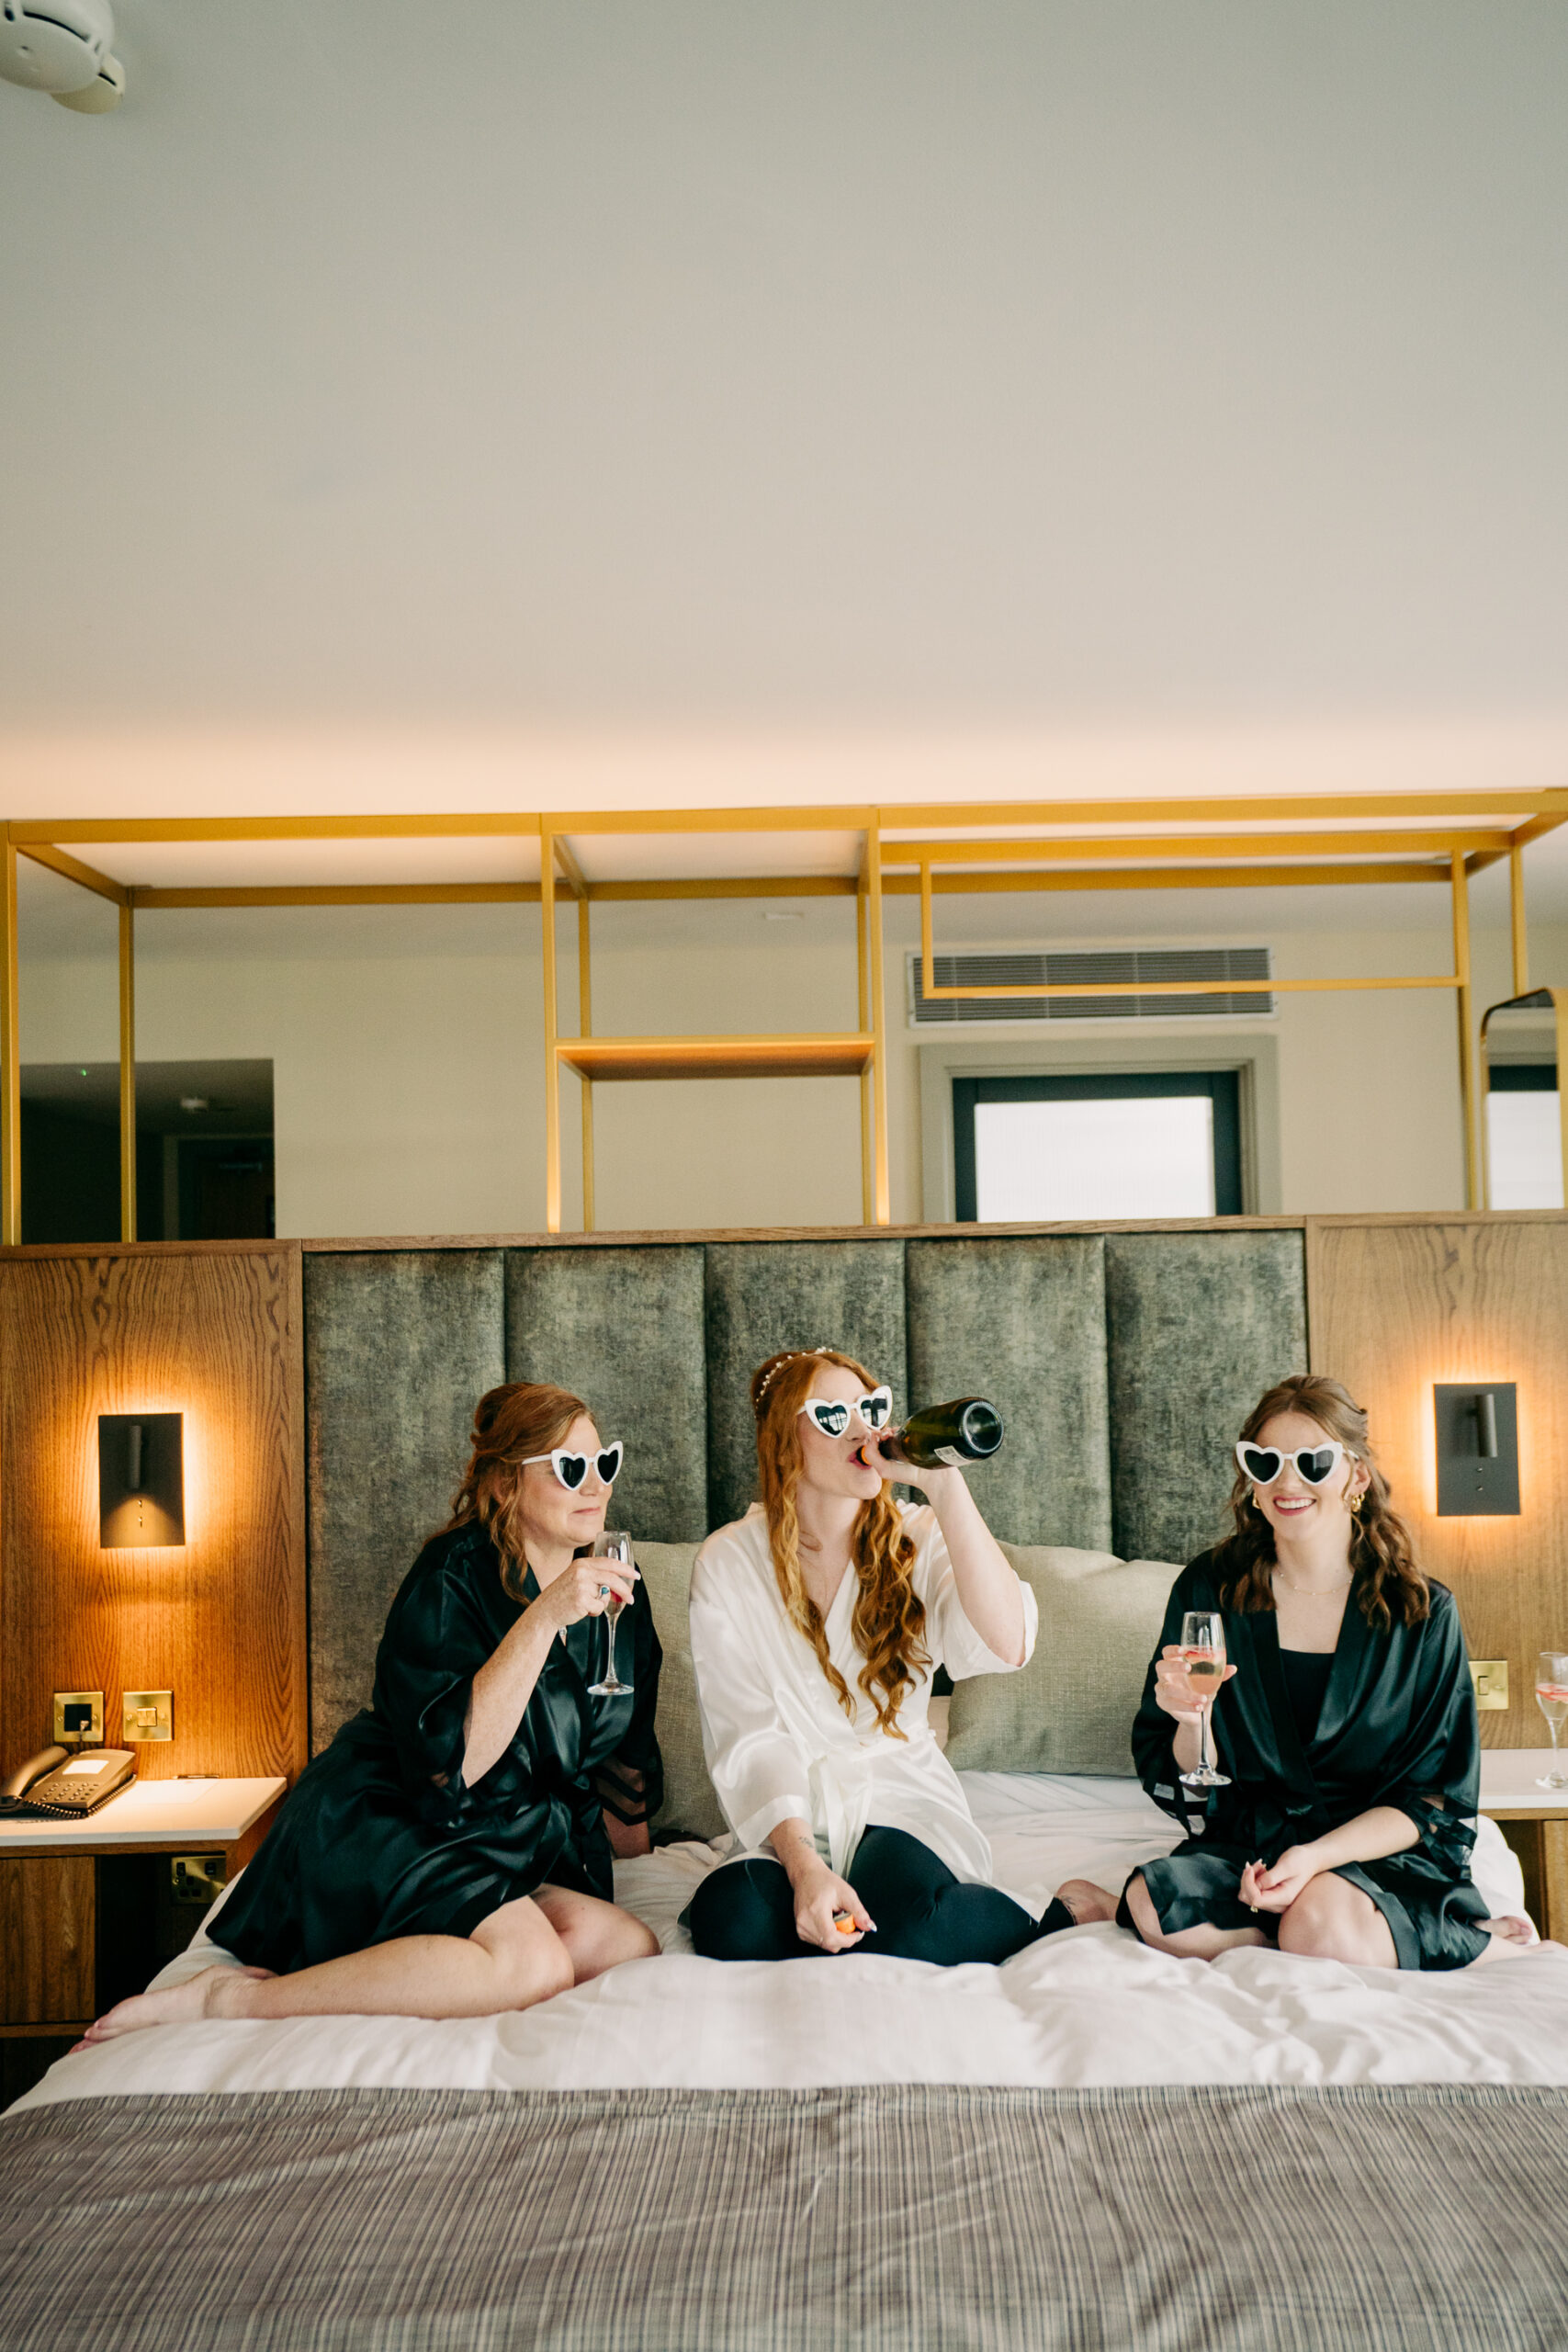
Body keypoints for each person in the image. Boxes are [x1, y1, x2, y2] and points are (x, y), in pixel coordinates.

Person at [83, 1382, 664, 2040]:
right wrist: (543, 1616)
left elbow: (624, 1751)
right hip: (399, 1813)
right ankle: (228, 2001)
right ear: (505, 1485)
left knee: (623, 1944)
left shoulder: (617, 1590)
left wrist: (636, 1862)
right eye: (569, 1468)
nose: (596, 1487)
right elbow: (456, 1765)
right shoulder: (451, 1577)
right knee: (532, 1967)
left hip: (507, 1831)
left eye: (605, 1463)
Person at [686, 1346, 1111, 1962]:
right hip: (790, 1811)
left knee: (912, 1925)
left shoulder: (919, 1535)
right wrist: (804, 1869)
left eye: (872, 1407)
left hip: (898, 1795)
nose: (862, 1428)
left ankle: (1060, 1912)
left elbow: (1009, 1643)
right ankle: (830, 1910)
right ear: (784, 1439)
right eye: (833, 1416)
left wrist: (945, 1487)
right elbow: (748, 1735)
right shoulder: (727, 1562)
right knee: (732, 1922)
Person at [1114, 1374, 1553, 1970]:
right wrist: (1189, 1720)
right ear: (1250, 1481)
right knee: (1149, 1899)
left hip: (1376, 1846)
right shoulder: (1209, 1587)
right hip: (1254, 1846)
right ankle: (1309, 1933)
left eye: (1313, 1462)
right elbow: (1196, 1791)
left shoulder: (1421, 1613)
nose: (1287, 1482)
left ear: (1356, 1475)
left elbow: (1433, 1800)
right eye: (1265, 1463)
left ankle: (1479, 1941)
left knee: (1316, 1923)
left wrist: (1314, 1859)